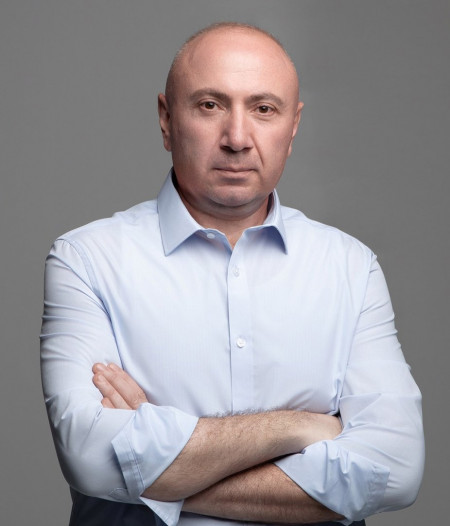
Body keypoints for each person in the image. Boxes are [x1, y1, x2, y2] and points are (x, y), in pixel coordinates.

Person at [40, 22, 424, 526]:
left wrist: (154, 469)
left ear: (293, 126)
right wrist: (299, 428)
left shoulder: (351, 266)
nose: (238, 138)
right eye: (210, 105)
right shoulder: (86, 259)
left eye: (263, 109)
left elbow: (396, 472)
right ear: (166, 119)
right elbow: (90, 460)